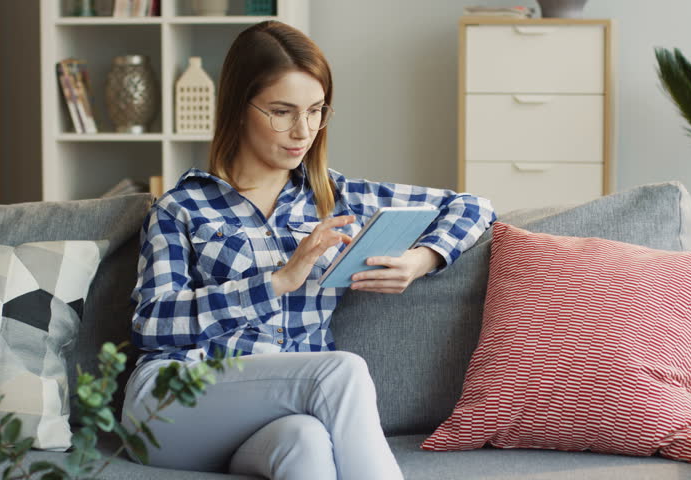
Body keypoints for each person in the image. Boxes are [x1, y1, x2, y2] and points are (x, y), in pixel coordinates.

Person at [122, 20, 495, 480]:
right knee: (340, 372)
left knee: (307, 443)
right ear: (239, 108)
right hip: (172, 405)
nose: (303, 130)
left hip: (272, 419)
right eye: (282, 111)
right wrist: (276, 281)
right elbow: (151, 325)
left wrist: (422, 260)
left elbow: (472, 206)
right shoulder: (182, 207)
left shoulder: (336, 198)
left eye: (316, 110)